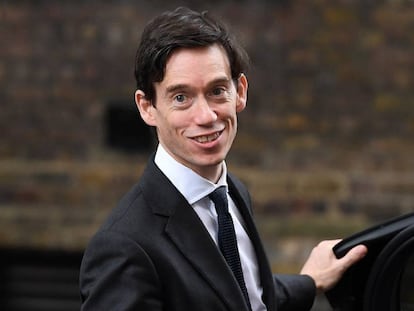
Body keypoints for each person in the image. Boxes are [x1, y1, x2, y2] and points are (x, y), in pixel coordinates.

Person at [79, 7, 367, 311]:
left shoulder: (231, 191)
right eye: (181, 97)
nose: (205, 115)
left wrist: (310, 281)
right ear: (147, 107)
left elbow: (244, 297)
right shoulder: (123, 247)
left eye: (217, 91)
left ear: (239, 92)